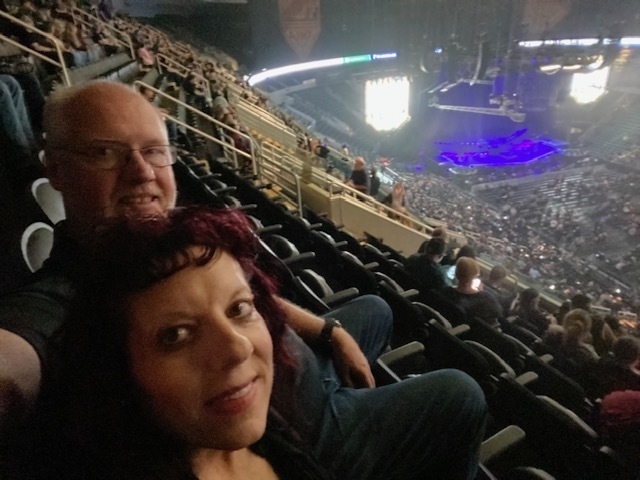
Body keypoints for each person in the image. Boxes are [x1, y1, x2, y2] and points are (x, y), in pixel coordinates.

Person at [0, 81, 487, 480]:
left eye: (154, 151)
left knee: (375, 310)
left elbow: (248, 292)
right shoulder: (72, 294)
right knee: (458, 394)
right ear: (55, 169)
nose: (142, 172)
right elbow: (19, 352)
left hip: (294, 366)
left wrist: (329, 332)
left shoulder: (168, 238)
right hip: (310, 430)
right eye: (105, 153)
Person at [13, 206, 333, 479]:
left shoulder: (262, 420)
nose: (238, 349)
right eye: (176, 335)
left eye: (239, 309)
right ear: (118, 372)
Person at [442, 257, 503, 327]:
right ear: (476, 276)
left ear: (456, 273)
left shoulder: (445, 291)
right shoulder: (485, 298)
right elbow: (499, 313)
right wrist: (481, 293)